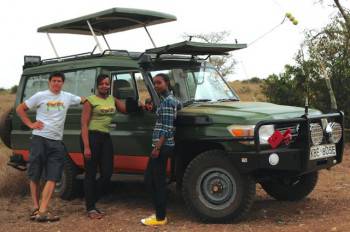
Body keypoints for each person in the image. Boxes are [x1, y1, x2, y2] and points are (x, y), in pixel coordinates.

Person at [16, 72, 85, 222]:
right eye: (54, 81)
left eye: (59, 81)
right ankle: (36, 208)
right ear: (49, 82)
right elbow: (20, 109)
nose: (56, 83)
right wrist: (30, 124)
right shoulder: (40, 95)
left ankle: (43, 210)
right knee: (35, 174)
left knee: (53, 176)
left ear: (63, 83)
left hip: (56, 142)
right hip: (39, 139)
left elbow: (85, 100)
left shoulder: (67, 97)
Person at [80, 74, 127, 219]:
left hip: (105, 137)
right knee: (91, 173)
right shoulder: (90, 100)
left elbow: (125, 109)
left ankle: (92, 200)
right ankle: (91, 207)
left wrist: (143, 105)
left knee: (107, 173)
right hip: (91, 137)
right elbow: (84, 125)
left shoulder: (112, 99)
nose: (104, 86)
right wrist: (87, 146)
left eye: (107, 84)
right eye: (102, 84)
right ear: (97, 85)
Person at [141, 73, 180, 226]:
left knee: (156, 181)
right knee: (151, 179)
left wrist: (157, 147)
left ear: (167, 84)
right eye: (155, 83)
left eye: (159, 83)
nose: (156, 86)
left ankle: (160, 217)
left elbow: (168, 127)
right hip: (161, 146)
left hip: (163, 147)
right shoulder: (169, 100)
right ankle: (159, 212)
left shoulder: (168, 102)